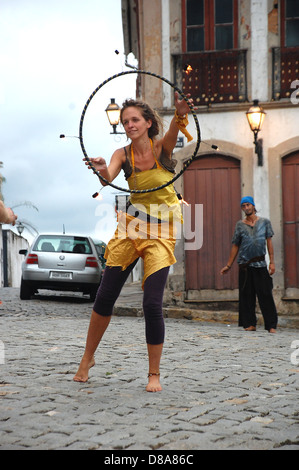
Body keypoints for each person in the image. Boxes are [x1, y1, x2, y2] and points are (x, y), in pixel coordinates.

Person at [74, 92, 194, 391]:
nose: (129, 125)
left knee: (152, 303)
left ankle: (154, 373)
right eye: (125, 121)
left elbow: (173, 131)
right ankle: (87, 358)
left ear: (148, 122)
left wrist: (180, 113)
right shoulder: (121, 154)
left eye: (135, 120)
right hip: (132, 226)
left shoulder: (160, 148)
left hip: (163, 229)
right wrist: (102, 168)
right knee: (105, 296)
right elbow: (107, 178)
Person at [220, 196, 278, 333]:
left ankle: (271, 325)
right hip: (245, 266)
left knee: (265, 295)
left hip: (260, 264)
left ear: (253, 206)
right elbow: (235, 245)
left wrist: (272, 262)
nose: (246, 208)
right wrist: (228, 265)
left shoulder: (265, 222)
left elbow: (269, 242)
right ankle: (250, 323)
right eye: (243, 206)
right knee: (247, 295)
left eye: (248, 205)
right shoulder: (240, 225)